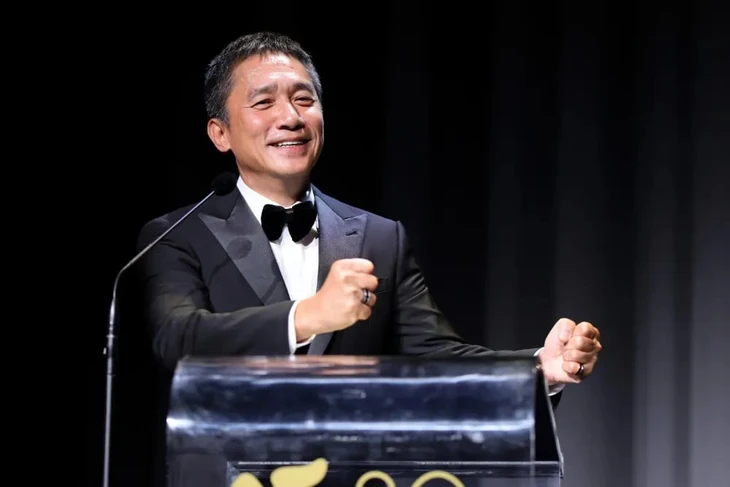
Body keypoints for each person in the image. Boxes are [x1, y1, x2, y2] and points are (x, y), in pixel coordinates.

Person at [135, 31, 602, 483]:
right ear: (220, 133)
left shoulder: (380, 237)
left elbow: (436, 358)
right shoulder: (177, 235)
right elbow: (177, 339)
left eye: (304, 99)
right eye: (264, 103)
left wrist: (540, 369)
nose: (291, 117)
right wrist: (306, 317)